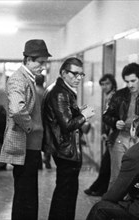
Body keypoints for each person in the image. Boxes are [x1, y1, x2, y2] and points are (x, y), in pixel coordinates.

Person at [0, 39, 52, 220]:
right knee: (25, 195)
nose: (43, 66)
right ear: (28, 59)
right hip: (25, 146)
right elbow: (16, 109)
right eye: (41, 62)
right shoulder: (18, 79)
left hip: (31, 147)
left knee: (28, 194)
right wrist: (32, 127)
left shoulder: (28, 78)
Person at [42, 57, 95, 220]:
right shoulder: (60, 93)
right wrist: (83, 117)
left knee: (65, 194)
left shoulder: (61, 89)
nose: (79, 78)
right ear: (64, 73)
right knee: (65, 195)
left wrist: (78, 112)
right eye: (75, 74)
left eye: (81, 74)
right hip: (65, 150)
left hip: (62, 148)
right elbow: (67, 124)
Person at [102, 63, 139, 189]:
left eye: (133, 81)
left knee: (137, 176)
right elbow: (106, 116)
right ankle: (112, 205)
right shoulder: (119, 95)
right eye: (127, 81)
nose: (130, 85)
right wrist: (115, 122)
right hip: (120, 138)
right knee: (116, 176)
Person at [84, 74, 117, 197]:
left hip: (114, 134)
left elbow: (112, 117)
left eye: (107, 84)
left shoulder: (114, 97)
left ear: (112, 83)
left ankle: (100, 187)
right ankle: (98, 186)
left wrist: (108, 132)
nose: (104, 87)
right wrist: (104, 132)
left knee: (107, 162)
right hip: (109, 133)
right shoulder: (108, 96)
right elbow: (105, 117)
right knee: (106, 162)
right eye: (102, 84)